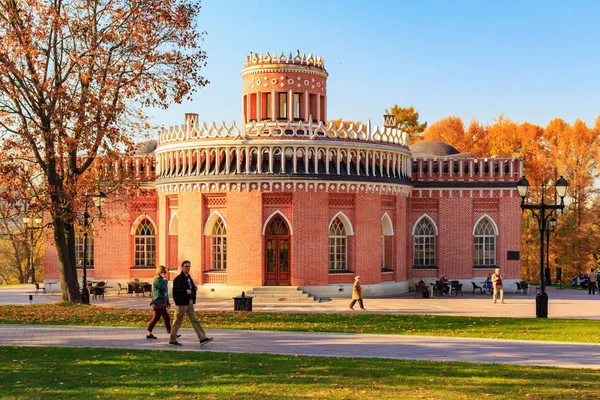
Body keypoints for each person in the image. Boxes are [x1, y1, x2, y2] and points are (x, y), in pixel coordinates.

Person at [169, 260, 213, 346]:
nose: (188, 268)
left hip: (189, 302)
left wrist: (194, 288)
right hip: (182, 303)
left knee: (194, 320)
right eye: (186, 266)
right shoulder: (178, 279)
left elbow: (190, 287)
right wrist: (185, 291)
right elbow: (175, 291)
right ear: (182, 267)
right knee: (177, 321)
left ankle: (202, 338)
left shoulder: (189, 278)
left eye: (189, 266)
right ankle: (172, 340)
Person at [146, 265, 172, 339]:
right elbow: (163, 287)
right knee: (166, 317)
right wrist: (165, 280)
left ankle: (149, 334)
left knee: (155, 318)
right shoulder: (156, 280)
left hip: (162, 302)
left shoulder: (161, 280)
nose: (165, 273)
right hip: (158, 302)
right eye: (164, 272)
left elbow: (165, 293)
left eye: (165, 272)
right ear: (160, 272)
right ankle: (171, 334)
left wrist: (168, 302)